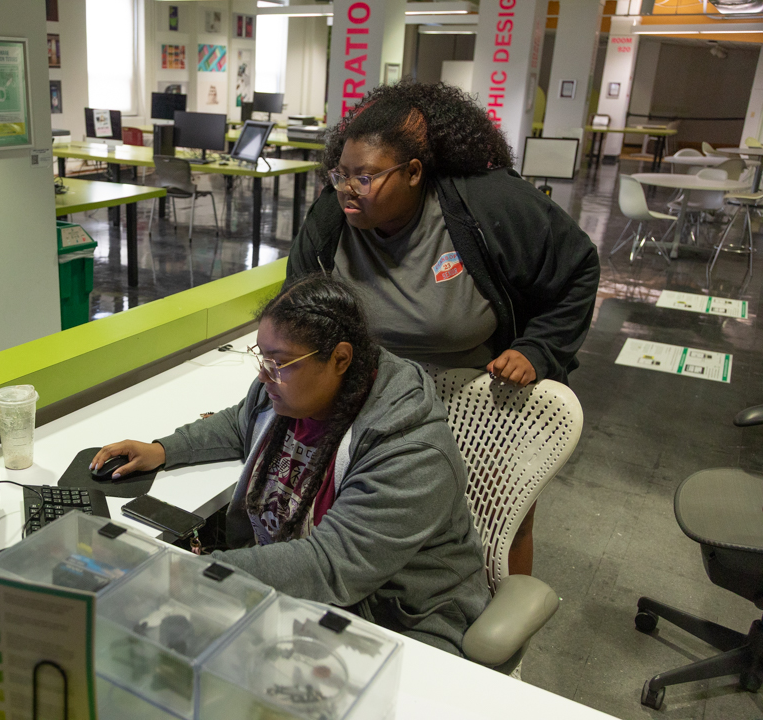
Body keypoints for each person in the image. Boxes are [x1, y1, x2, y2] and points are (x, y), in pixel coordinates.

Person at [287, 81, 601, 575]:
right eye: (340, 174)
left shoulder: (489, 205)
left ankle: (496, 626)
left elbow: (578, 268)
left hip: (484, 403)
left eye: (365, 177)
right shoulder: (332, 216)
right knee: (376, 524)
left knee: (494, 528)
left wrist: (539, 349)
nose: (347, 188)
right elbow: (300, 307)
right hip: (375, 402)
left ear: (414, 172)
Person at [92, 275, 490, 656]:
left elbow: (330, 564)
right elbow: (241, 420)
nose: (264, 375)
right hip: (310, 604)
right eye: (261, 357)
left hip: (399, 622)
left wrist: (192, 572)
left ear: (340, 359)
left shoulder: (411, 450)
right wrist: (164, 449)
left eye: (278, 362)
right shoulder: (290, 391)